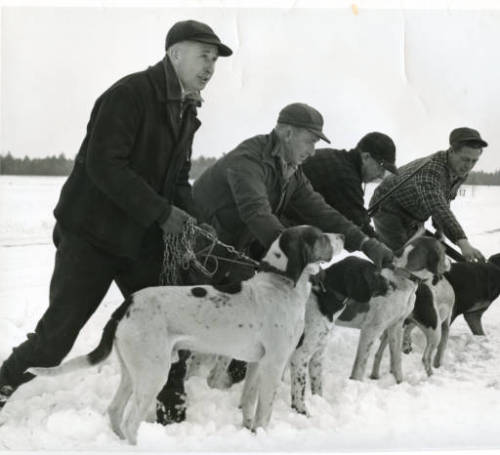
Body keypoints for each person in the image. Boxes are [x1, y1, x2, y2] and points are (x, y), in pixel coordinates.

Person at [0, 20, 232, 425]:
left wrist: (196, 221)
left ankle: (169, 403)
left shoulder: (187, 110)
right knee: (55, 340)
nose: (210, 66)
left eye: (214, 60)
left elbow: (177, 180)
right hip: (91, 236)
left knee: (166, 318)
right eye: (204, 55)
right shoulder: (130, 95)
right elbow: (105, 165)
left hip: (139, 239)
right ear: (176, 53)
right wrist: (162, 213)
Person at [192, 102, 395, 382]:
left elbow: (321, 210)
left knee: (244, 306)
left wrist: (365, 243)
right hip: (202, 244)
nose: (313, 150)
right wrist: (296, 259)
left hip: (236, 246)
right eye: (310, 141)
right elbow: (257, 213)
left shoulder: (291, 170)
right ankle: (180, 385)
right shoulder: (249, 160)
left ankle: (228, 375)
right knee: (195, 314)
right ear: (287, 133)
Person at [369, 127, 487, 262]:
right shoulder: (431, 170)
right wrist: (463, 242)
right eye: (465, 159)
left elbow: (444, 200)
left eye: (474, 161)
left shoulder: (459, 172)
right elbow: (437, 206)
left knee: (420, 259)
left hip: (414, 215)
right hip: (387, 209)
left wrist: (440, 229)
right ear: (452, 151)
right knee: (400, 259)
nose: (469, 166)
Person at [301, 132, 397, 237]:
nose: (381, 175)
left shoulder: (338, 159)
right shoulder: (346, 177)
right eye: (381, 168)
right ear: (366, 157)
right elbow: (359, 227)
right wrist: (387, 251)